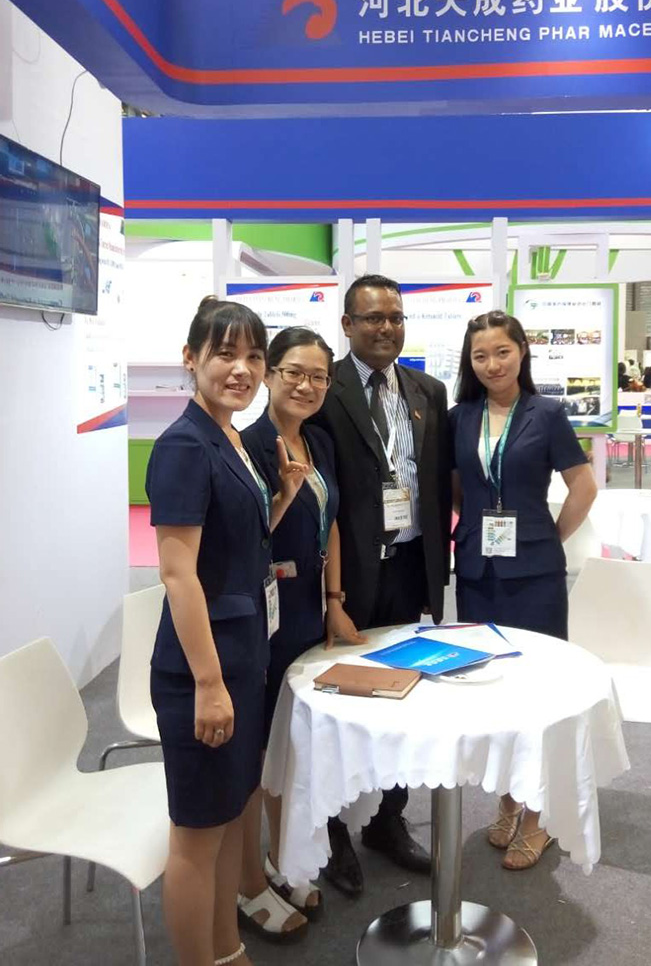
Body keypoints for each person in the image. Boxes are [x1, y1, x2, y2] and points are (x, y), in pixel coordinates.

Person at [147, 298, 307, 966]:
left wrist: (283, 496)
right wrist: (210, 685)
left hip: (241, 655)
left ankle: (226, 949)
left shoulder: (231, 437)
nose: (241, 369)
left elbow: (237, 544)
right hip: (201, 671)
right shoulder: (185, 445)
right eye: (224, 354)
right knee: (196, 839)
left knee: (221, 825)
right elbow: (178, 574)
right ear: (191, 359)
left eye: (253, 357)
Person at [312, 273, 451, 894]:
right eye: (372, 318)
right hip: (348, 575)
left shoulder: (428, 391)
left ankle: (388, 820)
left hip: (410, 566)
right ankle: (332, 829)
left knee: (405, 694)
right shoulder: (325, 387)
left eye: (395, 317)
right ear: (347, 325)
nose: (386, 328)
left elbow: (436, 483)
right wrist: (329, 593)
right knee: (335, 702)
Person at [449, 310, 597, 871]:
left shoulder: (547, 414)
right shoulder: (460, 417)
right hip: (477, 571)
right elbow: (460, 488)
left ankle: (539, 815)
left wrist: (547, 536)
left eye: (502, 352)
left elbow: (583, 486)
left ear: (522, 352)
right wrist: (481, 525)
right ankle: (509, 800)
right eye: (480, 355)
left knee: (537, 692)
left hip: (534, 574)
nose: (492, 364)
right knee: (491, 688)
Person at [237, 327, 366, 938]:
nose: (307, 386)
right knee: (264, 745)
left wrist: (335, 601)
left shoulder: (319, 440)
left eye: (319, 377)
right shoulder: (249, 446)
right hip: (265, 613)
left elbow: (331, 523)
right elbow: (243, 540)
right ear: (269, 374)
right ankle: (253, 876)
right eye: (294, 372)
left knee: (293, 741)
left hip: (309, 609)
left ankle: (281, 857)